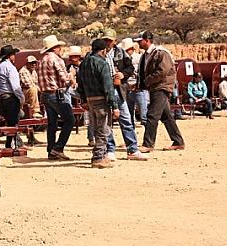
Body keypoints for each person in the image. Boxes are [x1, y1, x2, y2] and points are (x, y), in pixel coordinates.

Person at [135, 30, 185, 152]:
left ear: (147, 40)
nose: (138, 44)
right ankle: (178, 141)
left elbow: (163, 71)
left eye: (140, 41)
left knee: (152, 115)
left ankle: (148, 144)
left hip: (161, 87)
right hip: (155, 87)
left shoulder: (161, 53)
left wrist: (147, 81)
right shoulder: (147, 55)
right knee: (166, 116)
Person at [102, 30, 147, 162]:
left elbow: (130, 69)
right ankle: (110, 150)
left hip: (119, 90)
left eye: (110, 40)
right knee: (107, 121)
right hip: (105, 90)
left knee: (126, 119)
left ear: (115, 41)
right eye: (106, 40)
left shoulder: (121, 53)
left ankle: (132, 149)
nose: (107, 43)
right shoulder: (99, 53)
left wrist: (122, 75)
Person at [77, 39, 119, 168]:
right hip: (101, 99)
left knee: (96, 128)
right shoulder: (102, 63)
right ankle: (98, 157)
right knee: (104, 128)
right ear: (104, 50)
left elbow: (80, 83)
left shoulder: (84, 64)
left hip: (90, 99)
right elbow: (108, 87)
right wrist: (115, 106)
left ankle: (103, 154)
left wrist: (83, 99)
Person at [36, 35, 74, 160]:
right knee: (69, 120)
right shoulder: (56, 59)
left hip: (45, 95)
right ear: (55, 48)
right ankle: (58, 147)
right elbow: (64, 79)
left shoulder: (41, 60)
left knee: (52, 124)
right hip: (56, 94)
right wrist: (71, 76)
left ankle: (51, 150)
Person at [0, 45, 26, 149]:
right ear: (10, 56)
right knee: (13, 123)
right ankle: (12, 145)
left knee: (10, 122)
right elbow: (15, 87)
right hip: (10, 97)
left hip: (0, 98)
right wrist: (21, 99)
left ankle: (11, 144)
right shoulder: (10, 67)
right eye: (13, 55)